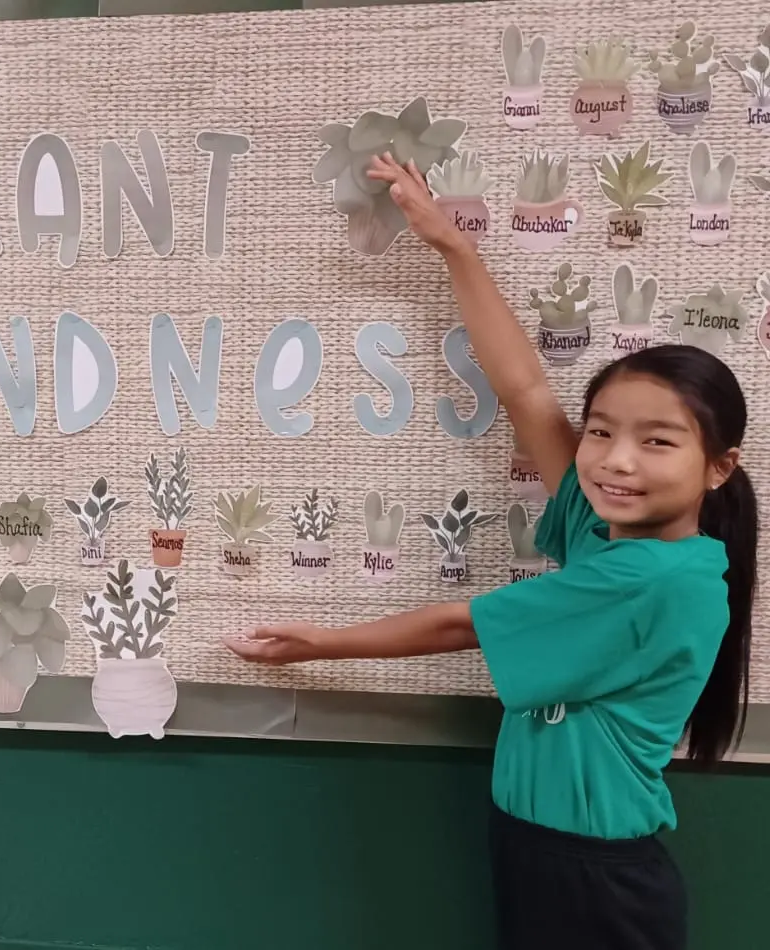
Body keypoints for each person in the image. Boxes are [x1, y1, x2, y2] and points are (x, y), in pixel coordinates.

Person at [225, 155, 756, 950]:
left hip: (596, 878)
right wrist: (454, 249)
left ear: (718, 467)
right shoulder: (608, 537)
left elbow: (458, 624)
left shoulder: (656, 578)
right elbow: (528, 394)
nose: (615, 460)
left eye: (657, 442)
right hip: (544, 850)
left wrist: (316, 644)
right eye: (604, 432)